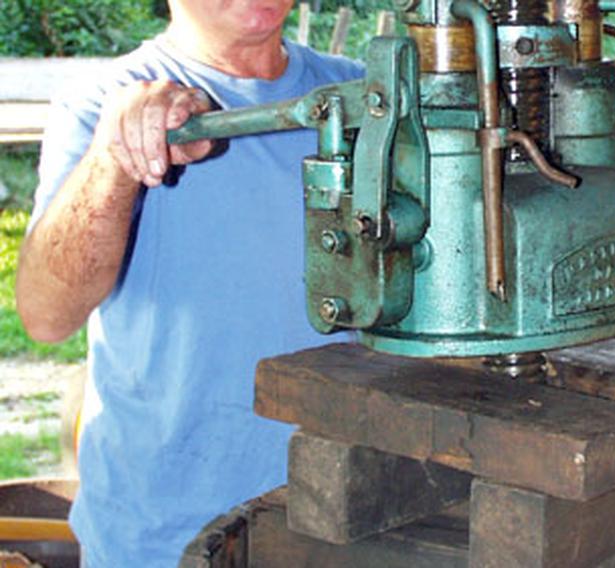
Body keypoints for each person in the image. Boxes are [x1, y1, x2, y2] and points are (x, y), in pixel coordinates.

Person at [15, 1, 362, 565]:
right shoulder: (105, 103)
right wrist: (116, 157)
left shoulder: (361, 93)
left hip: (345, 521)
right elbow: (46, 316)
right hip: (163, 535)